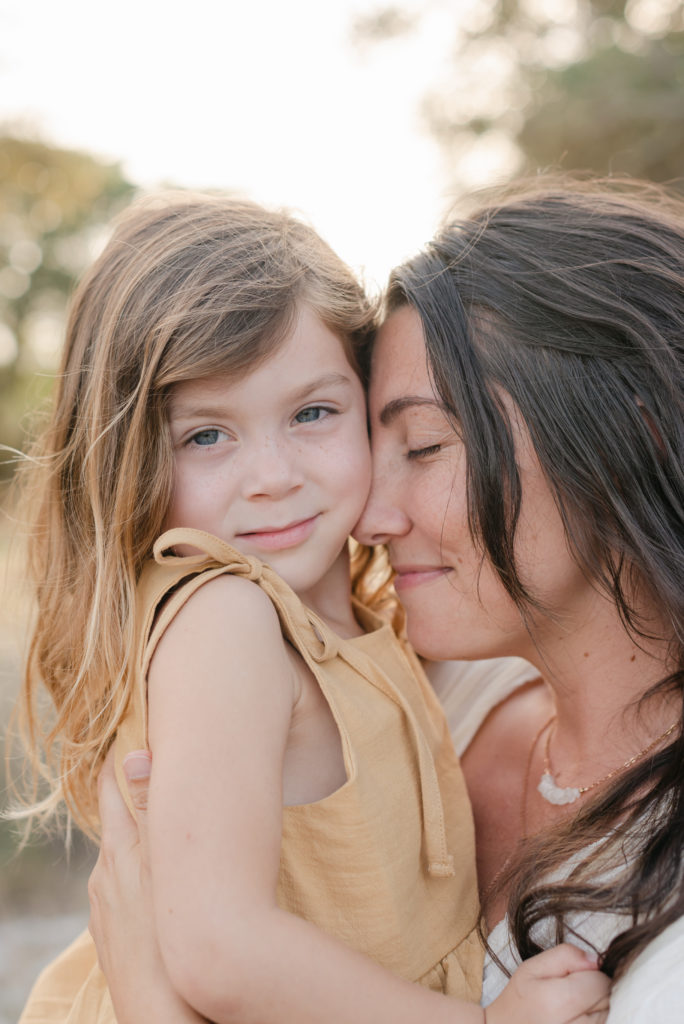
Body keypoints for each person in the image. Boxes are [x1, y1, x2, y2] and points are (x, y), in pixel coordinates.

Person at [86, 177, 684, 1021]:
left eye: (427, 444)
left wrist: (152, 1002)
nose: (367, 516)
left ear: (628, 437)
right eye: (207, 434)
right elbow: (220, 939)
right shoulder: (385, 664)